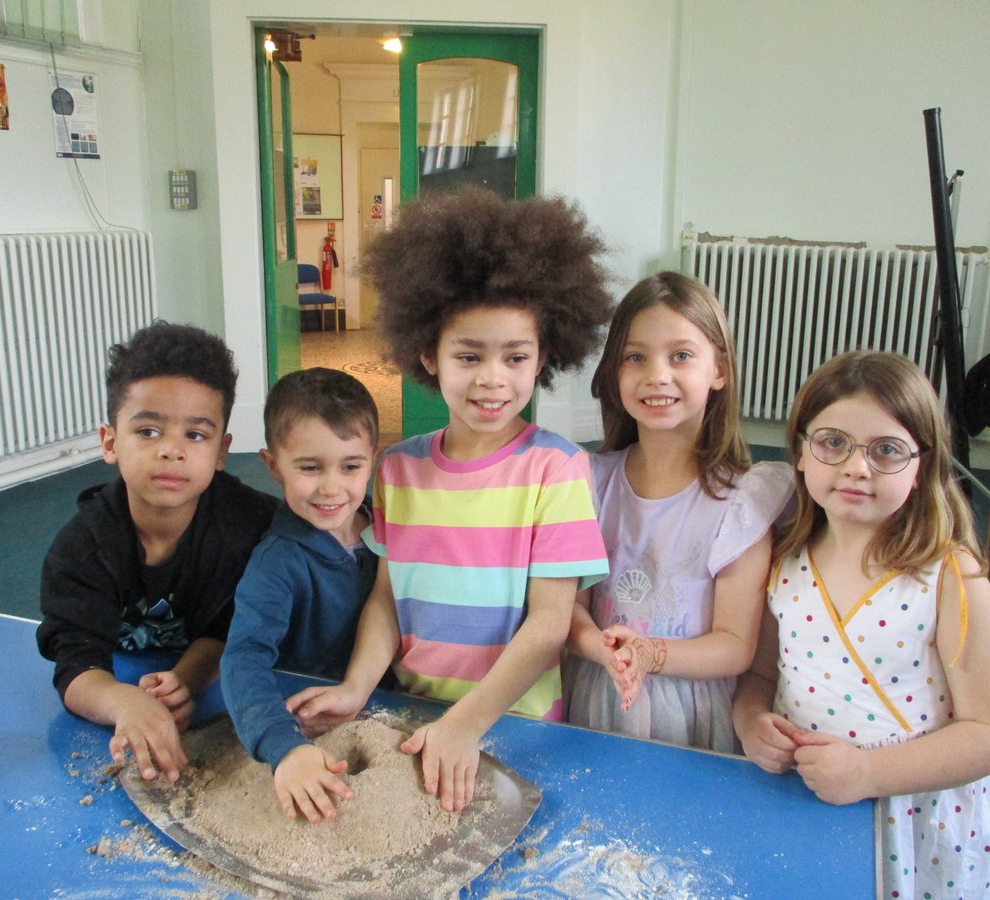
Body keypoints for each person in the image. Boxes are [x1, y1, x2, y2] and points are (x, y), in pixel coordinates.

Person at [287, 188, 613, 815]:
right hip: (412, 716)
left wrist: (468, 723)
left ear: (543, 357)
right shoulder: (397, 467)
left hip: (512, 722)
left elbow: (549, 628)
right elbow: (387, 596)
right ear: (427, 355)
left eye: (515, 357)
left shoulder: (558, 468)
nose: (493, 378)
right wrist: (357, 686)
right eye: (468, 355)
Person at [732, 350, 990, 899]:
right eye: (833, 442)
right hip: (809, 797)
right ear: (799, 450)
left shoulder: (950, 577)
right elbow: (761, 676)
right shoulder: (783, 563)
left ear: (921, 466)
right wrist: (750, 721)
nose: (856, 466)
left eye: (886, 450)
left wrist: (869, 774)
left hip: (914, 819)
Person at [37, 321, 277, 784]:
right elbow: (75, 663)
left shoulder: (248, 528)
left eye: (196, 435)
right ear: (110, 442)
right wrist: (124, 702)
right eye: (148, 432)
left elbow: (228, 626)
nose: (171, 450)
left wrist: (187, 678)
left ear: (223, 451)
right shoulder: (81, 548)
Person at [562, 273, 793, 751]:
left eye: (681, 355)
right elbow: (569, 614)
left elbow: (735, 644)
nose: (657, 375)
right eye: (635, 357)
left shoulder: (742, 503)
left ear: (719, 370)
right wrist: (604, 651)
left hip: (690, 716)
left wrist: (651, 653)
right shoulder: (587, 480)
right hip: (598, 696)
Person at [220, 368, 380, 822]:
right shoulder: (277, 562)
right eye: (309, 468)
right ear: (273, 466)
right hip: (312, 721)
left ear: (373, 458)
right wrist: (284, 746)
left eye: (350, 466)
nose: (331, 487)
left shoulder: (388, 526)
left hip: (390, 704)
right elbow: (241, 658)